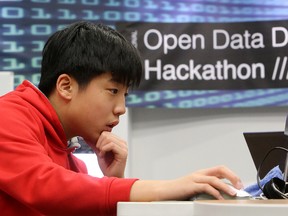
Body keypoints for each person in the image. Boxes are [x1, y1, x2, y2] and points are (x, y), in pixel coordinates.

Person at [0, 21, 243, 216]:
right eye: (113, 91)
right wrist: (167, 187)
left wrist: (113, 179)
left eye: (125, 95)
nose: (121, 108)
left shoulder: (75, 164)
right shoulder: (7, 115)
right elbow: (47, 188)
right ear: (65, 86)